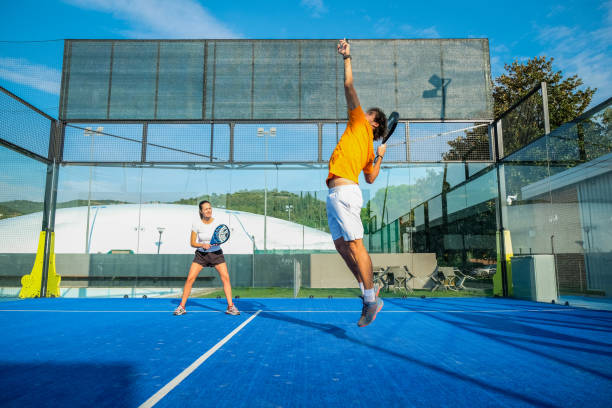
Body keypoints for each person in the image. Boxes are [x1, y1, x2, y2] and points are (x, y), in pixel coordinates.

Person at [326, 38, 387, 327]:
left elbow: (349, 88)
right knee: (341, 246)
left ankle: (370, 300)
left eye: (367, 114)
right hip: (338, 194)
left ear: (372, 123)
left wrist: (346, 58)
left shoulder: (359, 125)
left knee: (356, 246)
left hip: (345, 193)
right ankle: (368, 291)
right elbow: (371, 177)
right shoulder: (366, 145)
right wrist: (379, 157)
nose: (361, 112)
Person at [174, 200, 239, 316]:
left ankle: (231, 307)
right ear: (201, 211)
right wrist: (202, 245)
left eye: (210, 208)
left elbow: (221, 236)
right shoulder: (196, 223)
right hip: (201, 255)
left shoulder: (218, 222)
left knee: (225, 278)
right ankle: (181, 307)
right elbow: (192, 242)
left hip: (216, 254)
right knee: (190, 279)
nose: (209, 211)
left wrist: (214, 244)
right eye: (206, 209)